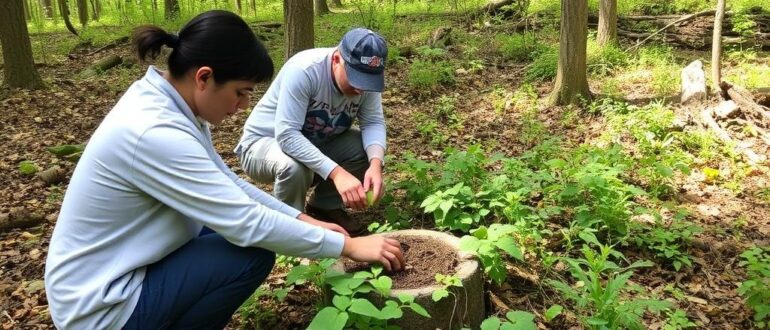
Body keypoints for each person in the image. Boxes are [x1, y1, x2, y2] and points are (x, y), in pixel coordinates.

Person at [44, 11, 404, 330]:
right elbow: (245, 222)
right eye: (241, 92)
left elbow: (229, 184)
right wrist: (350, 246)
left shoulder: (172, 107)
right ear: (204, 77)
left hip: (123, 266)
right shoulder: (156, 132)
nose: (243, 106)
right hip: (102, 306)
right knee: (250, 254)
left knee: (230, 235)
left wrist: (303, 220)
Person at [235, 28, 389, 235]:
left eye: (367, 81)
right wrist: (338, 174)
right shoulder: (305, 69)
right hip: (262, 146)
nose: (361, 89)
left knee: (366, 149)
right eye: (355, 79)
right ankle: (289, 227)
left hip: (317, 143)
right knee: (293, 167)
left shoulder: (365, 83)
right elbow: (287, 135)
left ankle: (325, 206)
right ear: (337, 59)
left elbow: (373, 122)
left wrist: (375, 165)